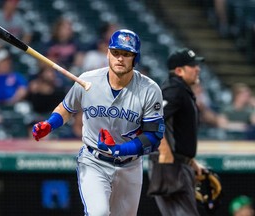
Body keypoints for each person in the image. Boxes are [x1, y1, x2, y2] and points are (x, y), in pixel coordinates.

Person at [32, 29, 165, 216]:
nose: (120, 58)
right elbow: (67, 108)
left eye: (126, 54)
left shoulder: (149, 89)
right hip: (94, 161)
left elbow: (153, 136)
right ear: (108, 53)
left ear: (136, 58)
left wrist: (119, 150)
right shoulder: (88, 80)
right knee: (99, 213)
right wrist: (50, 124)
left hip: (130, 166)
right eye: (116, 52)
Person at [148, 48, 206, 216]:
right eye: (192, 65)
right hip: (170, 165)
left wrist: (190, 161)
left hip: (177, 163)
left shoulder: (180, 90)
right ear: (179, 71)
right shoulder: (174, 89)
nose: (198, 69)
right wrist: (165, 151)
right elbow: (151, 117)